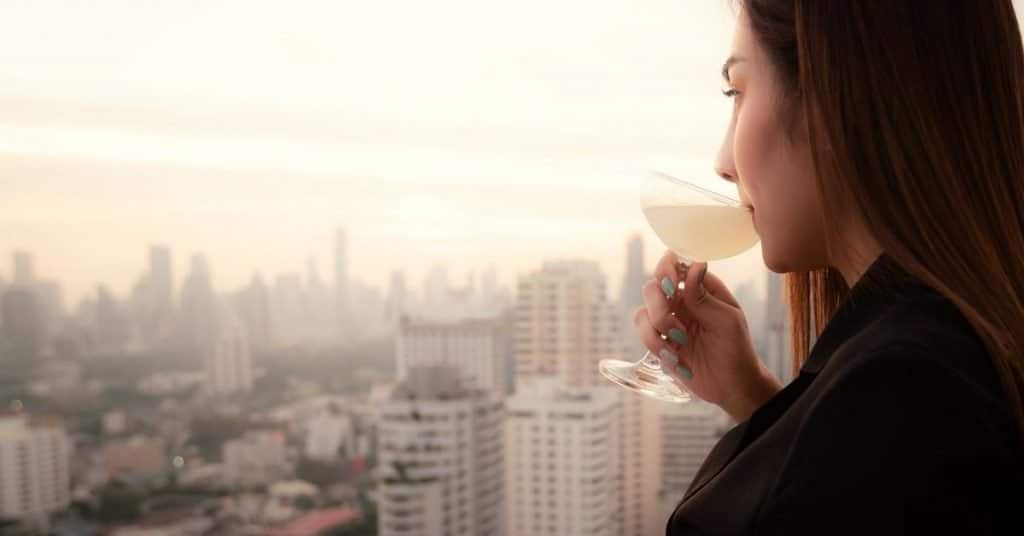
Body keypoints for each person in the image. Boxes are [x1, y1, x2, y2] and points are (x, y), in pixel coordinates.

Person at [635, 1, 1024, 533]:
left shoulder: (906, 394)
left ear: (836, 95)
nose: (722, 162)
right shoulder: (941, 361)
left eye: (738, 92)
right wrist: (750, 396)